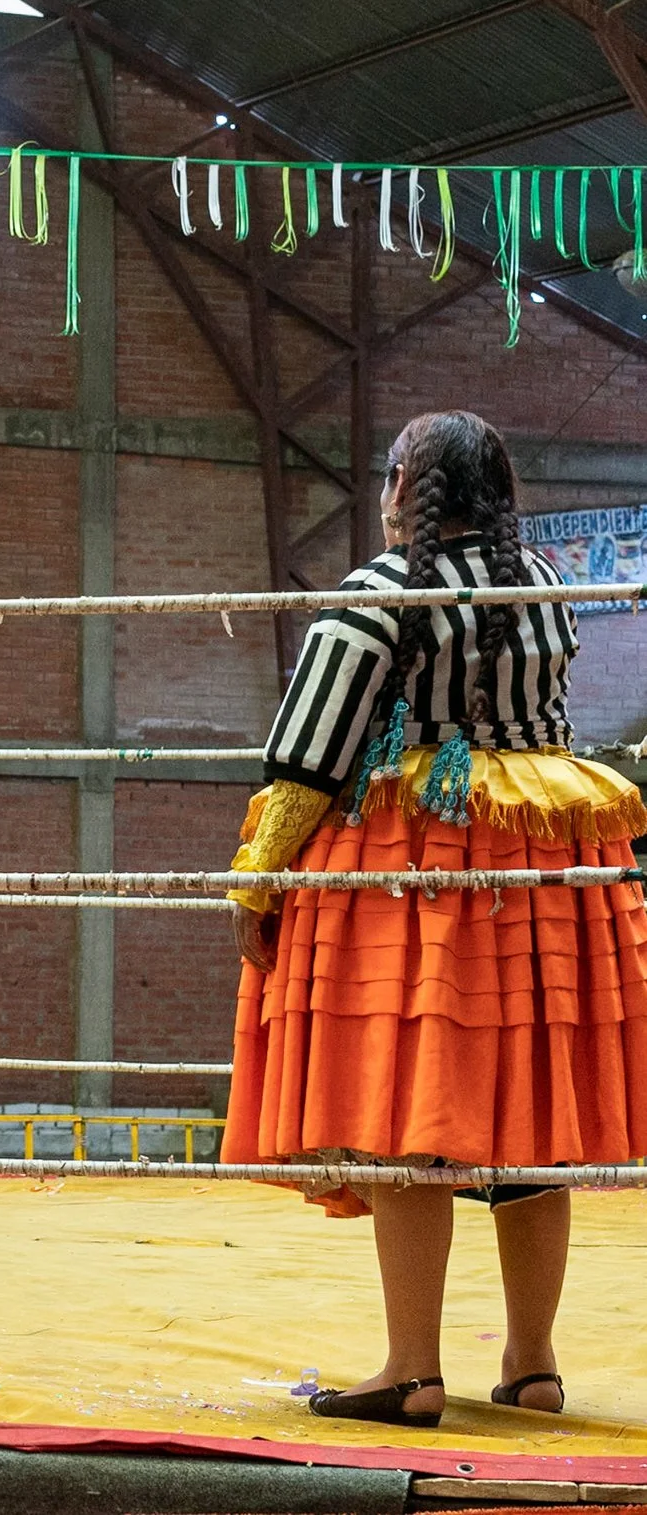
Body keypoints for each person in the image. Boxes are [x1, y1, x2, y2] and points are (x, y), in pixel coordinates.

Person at [222, 409, 647, 1429]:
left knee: (405, 1100)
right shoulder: (541, 585)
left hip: (418, 857)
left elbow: (307, 752)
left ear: (404, 489)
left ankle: (410, 1365)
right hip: (547, 857)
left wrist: (256, 879)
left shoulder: (379, 592)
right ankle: (531, 1362)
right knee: (529, 1108)